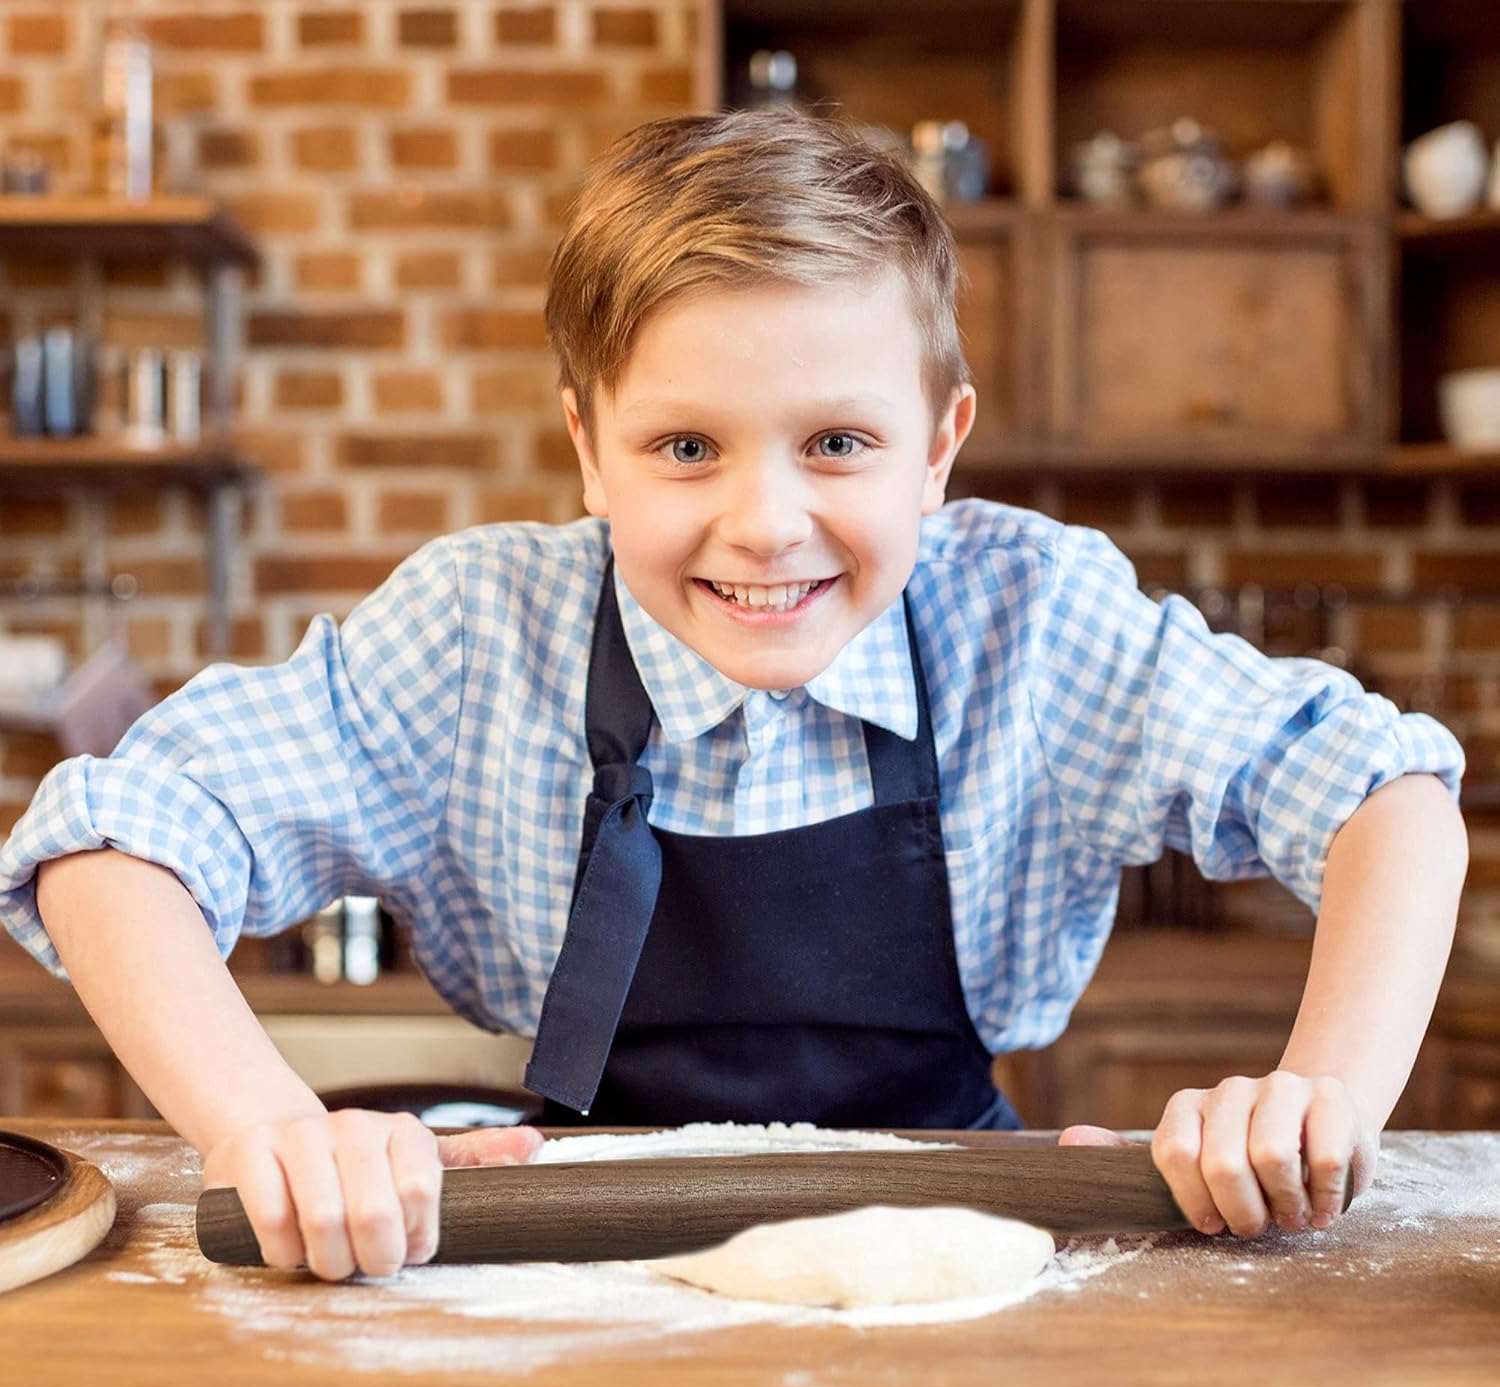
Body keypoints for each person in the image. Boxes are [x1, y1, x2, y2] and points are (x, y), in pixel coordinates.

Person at [0, 111, 1468, 1282]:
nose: (766, 526)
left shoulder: (1039, 619)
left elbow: (1386, 795)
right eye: (687, 447)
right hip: (566, 1257)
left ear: (939, 446)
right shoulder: (476, 632)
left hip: (966, 1243)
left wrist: (1317, 1098)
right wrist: (267, 1126)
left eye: (837, 441)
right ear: (587, 448)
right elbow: (112, 838)